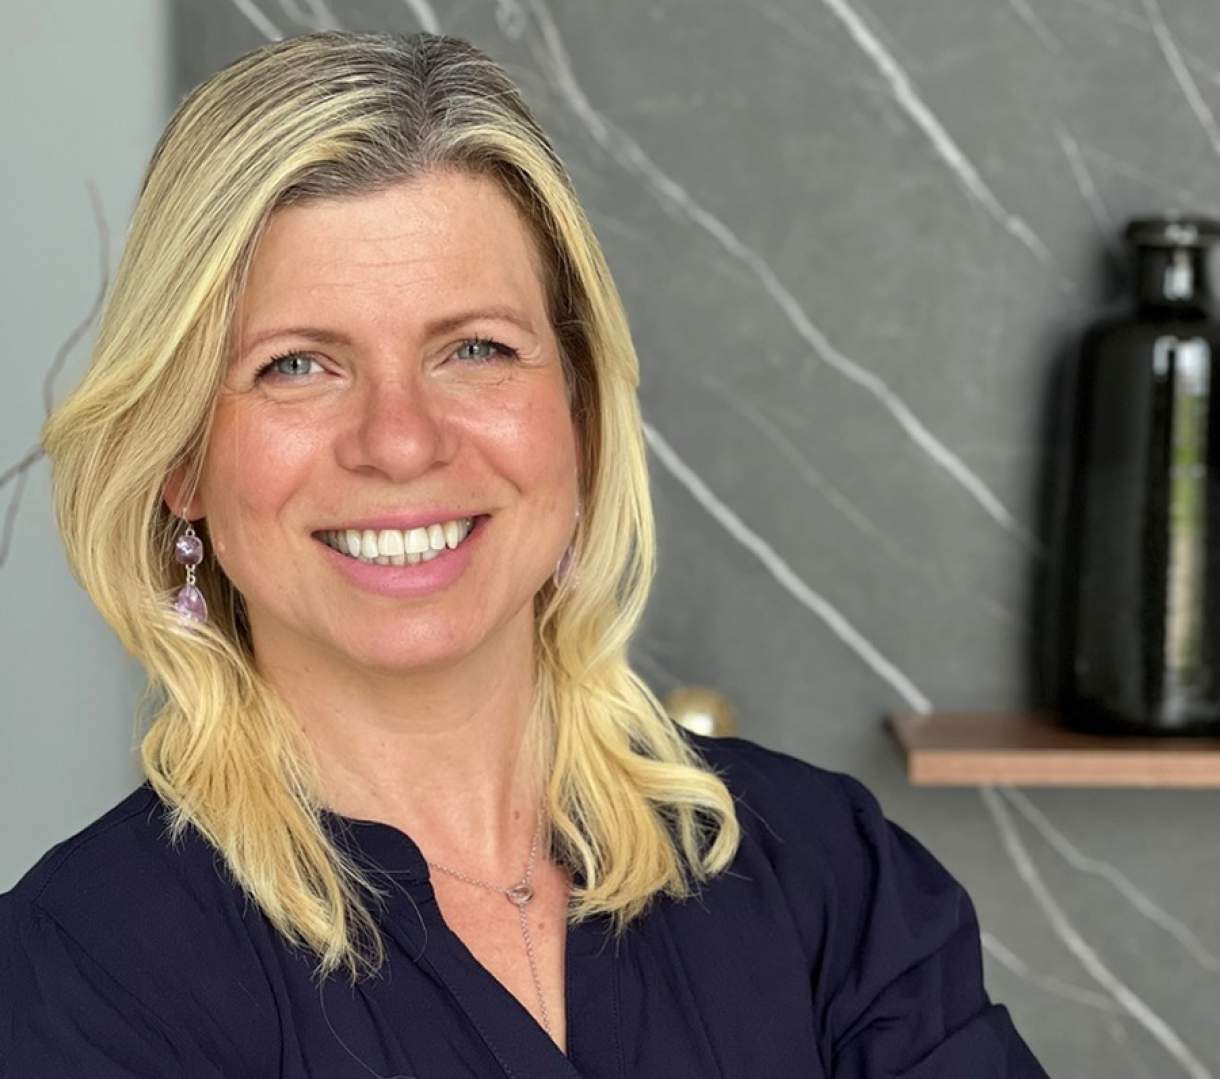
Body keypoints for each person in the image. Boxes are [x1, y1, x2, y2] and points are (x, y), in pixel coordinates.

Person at [0, 30, 1050, 1078]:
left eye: (475, 349)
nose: (400, 440)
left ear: (579, 415)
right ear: (182, 457)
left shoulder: (829, 877)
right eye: (297, 365)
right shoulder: (76, 976)